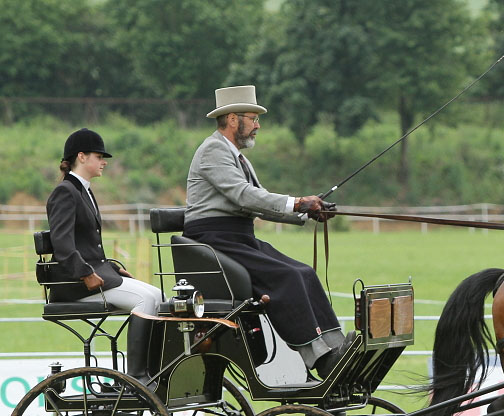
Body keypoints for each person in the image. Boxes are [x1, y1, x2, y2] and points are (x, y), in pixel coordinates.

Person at [183, 85, 350, 379]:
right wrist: (298, 202)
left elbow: (259, 204)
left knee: (304, 273)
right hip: (214, 240)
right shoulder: (213, 150)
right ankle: (320, 359)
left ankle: (336, 348)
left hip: (238, 238)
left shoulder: (238, 157)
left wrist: (306, 211)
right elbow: (244, 196)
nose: (258, 125)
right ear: (233, 119)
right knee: (286, 278)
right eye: (254, 118)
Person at [46, 128, 163, 382]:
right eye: (99, 156)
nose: (104, 161)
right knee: (145, 301)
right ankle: (137, 376)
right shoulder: (66, 191)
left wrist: (110, 266)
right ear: (82, 156)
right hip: (76, 285)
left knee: (158, 296)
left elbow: (88, 246)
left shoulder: (84, 190)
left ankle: (154, 370)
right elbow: (63, 245)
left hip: (99, 274)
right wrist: (86, 273)